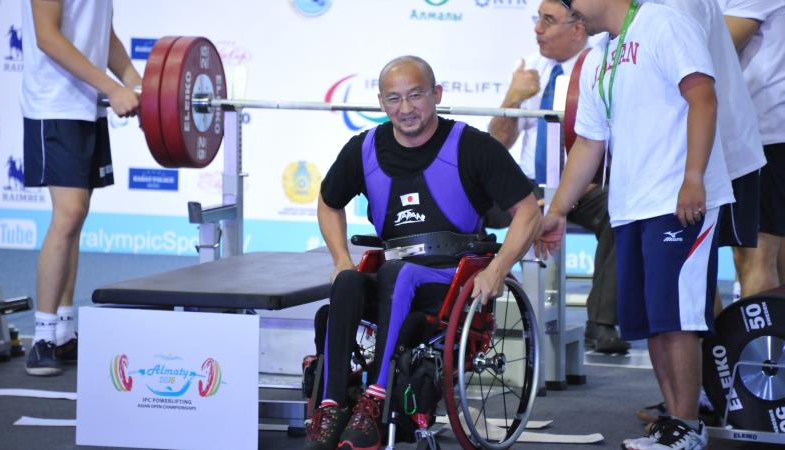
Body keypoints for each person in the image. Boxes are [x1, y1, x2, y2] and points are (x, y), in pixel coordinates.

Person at [306, 55, 541, 450]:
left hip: (451, 278)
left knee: (402, 274)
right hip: (392, 273)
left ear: (436, 94)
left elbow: (528, 211)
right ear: (382, 103)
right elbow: (329, 203)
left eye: (415, 95)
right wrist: (341, 260)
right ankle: (330, 407)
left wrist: (499, 269)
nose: (406, 108)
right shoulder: (363, 149)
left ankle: (374, 402)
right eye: (394, 98)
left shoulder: (471, 146)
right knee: (348, 282)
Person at [537, 1, 734, 449]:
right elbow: (589, 142)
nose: (570, 7)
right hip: (630, 205)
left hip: (677, 200)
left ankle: (687, 428)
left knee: (679, 320)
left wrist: (693, 177)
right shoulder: (598, 56)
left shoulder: (664, 21)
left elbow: (702, 94)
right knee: (655, 322)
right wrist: (557, 212)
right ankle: (675, 425)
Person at [630, 0, 766, 426]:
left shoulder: (674, 7)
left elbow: (699, 80)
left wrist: (692, 174)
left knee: (753, 265)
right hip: (688, 156)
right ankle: (708, 390)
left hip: (723, 150)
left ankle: (761, 399)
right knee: (688, 290)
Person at [489, 0, 630, 354]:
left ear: (577, 28)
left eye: (548, 21)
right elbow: (494, 147)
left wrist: (586, 181)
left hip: (583, 184)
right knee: (463, 196)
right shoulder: (529, 70)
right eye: (538, 19)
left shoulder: (603, 65)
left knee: (619, 209)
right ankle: (474, 311)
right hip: (526, 186)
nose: (537, 29)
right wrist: (513, 97)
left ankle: (600, 321)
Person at [21, 0, 140, 376]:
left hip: (87, 103)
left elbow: (101, 34)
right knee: (68, 213)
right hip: (53, 104)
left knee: (77, 216)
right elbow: (48, 37)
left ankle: (63, 330)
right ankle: (41, 336)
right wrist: (111, 85)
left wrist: (133, 78)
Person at [721, 0, 785, 297]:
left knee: (756, 254)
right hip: (742, 133)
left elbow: (716, 46)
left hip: (766, 133)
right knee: (753, 255)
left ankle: (759, 344)